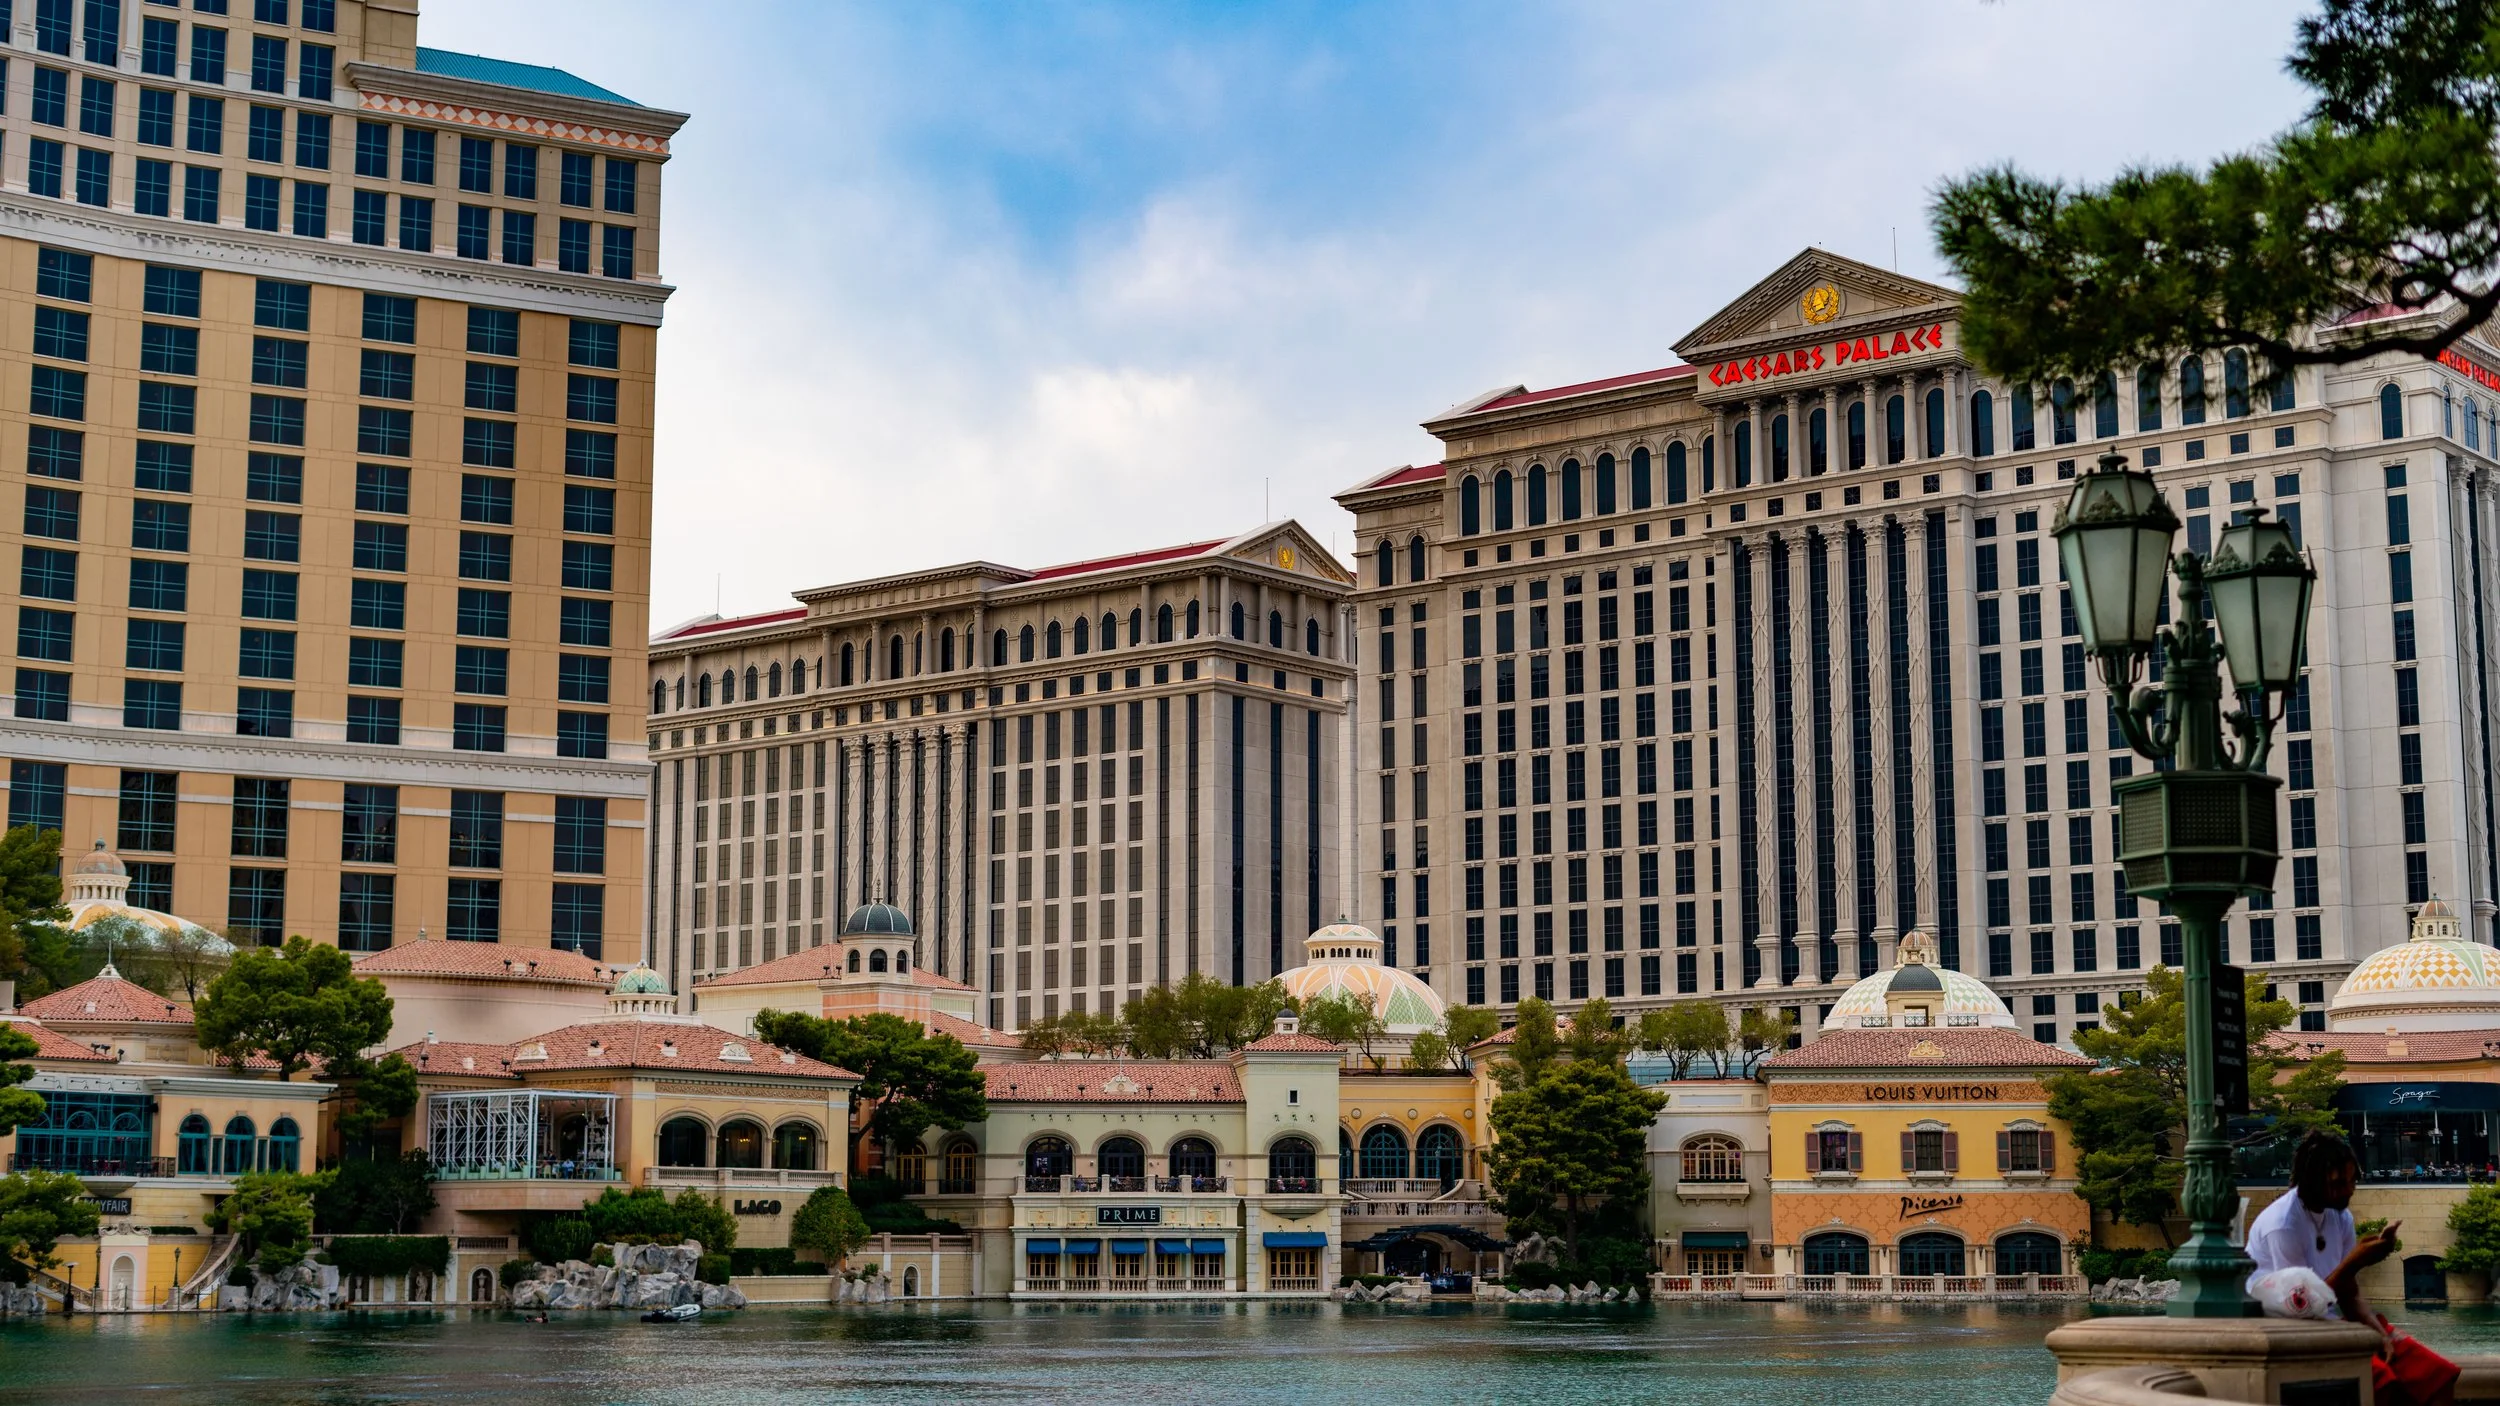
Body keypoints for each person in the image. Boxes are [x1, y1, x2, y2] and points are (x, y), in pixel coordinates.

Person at [2247, 1131, 2457, 1406]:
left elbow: (2349, 1292)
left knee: (2436, 1375)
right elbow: (2302, 1307)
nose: (2348, 1190)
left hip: (2330, 1325)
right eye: (2338, 1183)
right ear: (2312, 1182)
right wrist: (2354, 1261)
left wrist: (2379, 1334)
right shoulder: (2283, 1225)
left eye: (2352, 1180)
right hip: (2289, 1332)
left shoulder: (2340, 1215)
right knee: (2381, 1380)